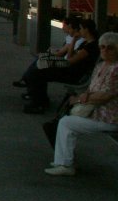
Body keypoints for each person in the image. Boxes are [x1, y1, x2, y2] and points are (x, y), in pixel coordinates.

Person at [45, 31, 118, 175]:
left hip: (110, 117)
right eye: (102, 47)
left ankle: (66, 165)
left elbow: (105, 96)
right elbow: (91, 89)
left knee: (67, 123)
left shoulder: (116, 70)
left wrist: (79, 99)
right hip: (95, 112)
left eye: (110, 47)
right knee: (64, 121)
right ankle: (63, 160)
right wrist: (85, 96)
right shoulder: (101, 66)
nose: (105, 50)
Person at [23, 18, 99, 113]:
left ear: (86, 30)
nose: (80, 31)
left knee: (38, 72)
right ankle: (40, 101)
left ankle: (38, 104)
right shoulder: (86, 43)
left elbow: (69, 61)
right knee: (39, 68)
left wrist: (52, 63)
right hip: (70, 70)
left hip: (73, 74)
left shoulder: (90, 47)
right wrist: (74, 40)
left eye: (81, 28)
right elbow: (70, 57)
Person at [13, 16, 82, 88]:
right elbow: (63, 53)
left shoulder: (75, 40)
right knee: (39, 61)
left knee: (40, 66)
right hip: (63, 63)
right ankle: (26, 81)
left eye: (67, 27)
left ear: (75, 29)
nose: (63, 28)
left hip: (64, 65)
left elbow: (66, 57)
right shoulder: (72, 38)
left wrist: (50, 53)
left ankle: (28, 83)